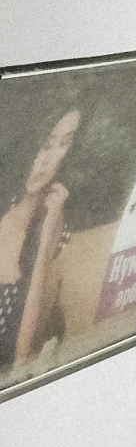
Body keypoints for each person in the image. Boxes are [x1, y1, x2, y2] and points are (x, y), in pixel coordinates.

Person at [1, 106, 81, 371]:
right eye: (46, 144)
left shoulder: (57, 234)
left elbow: (22, 356)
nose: (46, 160)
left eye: (64, 144)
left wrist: (45, 242)